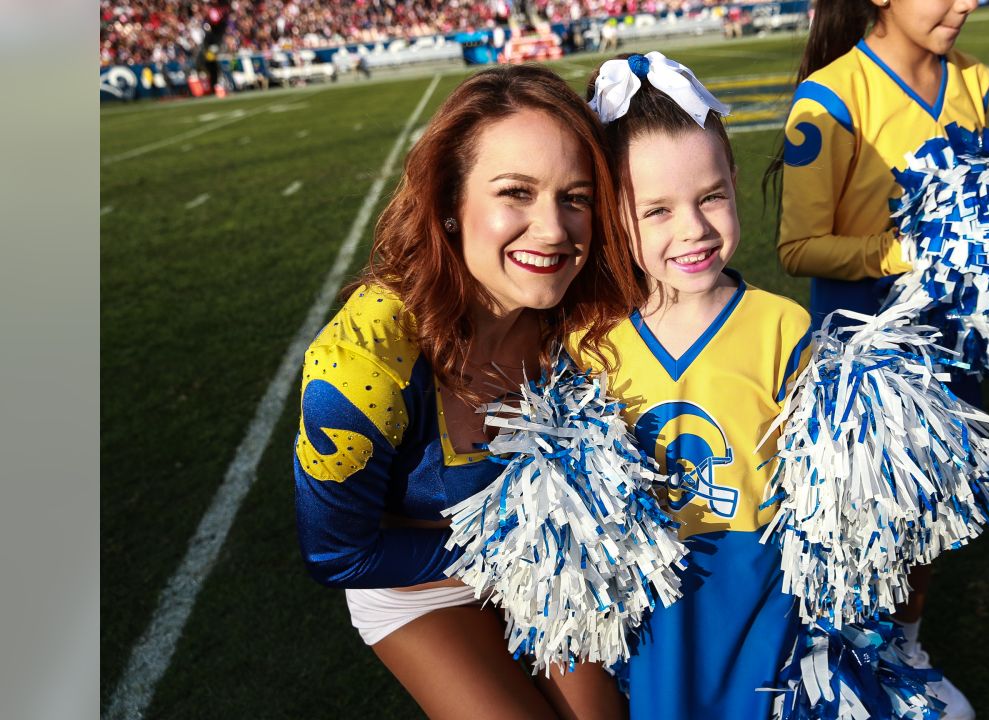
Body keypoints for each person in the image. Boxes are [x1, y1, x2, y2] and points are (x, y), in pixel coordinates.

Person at [292, 65, 644, 720]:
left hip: (544, 556)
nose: (553, 229)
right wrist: (514, 542)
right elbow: (337, 551)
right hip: (410, 577)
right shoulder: (361, 364)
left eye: (576, 197)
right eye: (516, 192)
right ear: (450, 204)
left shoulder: (591, 312)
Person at [765, 0, 989, 717]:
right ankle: (844, 679)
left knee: (931, 513)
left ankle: (906, 649)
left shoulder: (970, 76)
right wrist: (902, 251)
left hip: (949, 345)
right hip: (867, 364)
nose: (967, 4)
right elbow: (797, 247)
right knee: (862, 532)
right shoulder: (828, 98)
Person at [574, 52, 813, 719]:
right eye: (656, 211)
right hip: (649, 628)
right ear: (614, 215)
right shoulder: (586, 342)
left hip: (763, 617)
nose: (694, 229)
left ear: (734, 181)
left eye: (710, 196)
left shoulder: (783, 327)